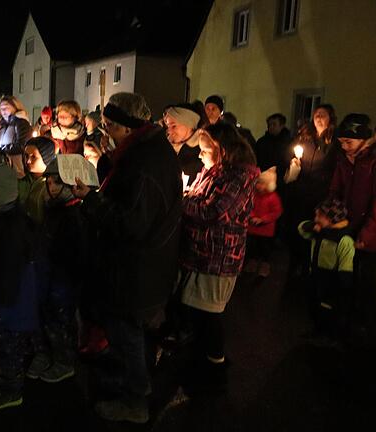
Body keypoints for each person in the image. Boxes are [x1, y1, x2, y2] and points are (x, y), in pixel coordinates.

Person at [71, 92, 182, 425]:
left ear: (123, 126)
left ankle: (135, 401)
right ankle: (131, 384)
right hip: (145, 267)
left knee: (128, 335)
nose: (105, 131)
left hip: (135, 271)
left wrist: (91, 200)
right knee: (132, 335)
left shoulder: (143, 161)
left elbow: (131, 224)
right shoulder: (149, 150)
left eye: (108, 126)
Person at [179, 122, 258, 391]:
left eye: (204, 150)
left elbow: (215, 212)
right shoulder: (212, 171)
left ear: (221, 150)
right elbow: (197, 198)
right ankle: (203, 362)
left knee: (209, 316)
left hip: (219, 258)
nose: (199, 155)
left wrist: (181, 202)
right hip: (201, 254)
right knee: (198, 314)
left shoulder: (239, 177)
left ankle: (215, 369)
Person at [329, 113, 376, 344]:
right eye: (341, 142)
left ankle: (368, 330)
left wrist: (366, 234)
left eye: (349, 142)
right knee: (346, 279)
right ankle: (345, 325)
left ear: (364, 139)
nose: (344, 146)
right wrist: (329, 217)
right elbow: (335, 192)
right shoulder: (346, 159)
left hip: (370, 236)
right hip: (347, 228)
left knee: (366, 282)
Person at [0, 163, 39, 410]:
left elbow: (8, 272)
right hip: (2, 301)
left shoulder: (10, 227)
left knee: (8, 349)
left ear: (1, 191)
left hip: (10, 304)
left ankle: (11, 391)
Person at [27, 158, 87, 384]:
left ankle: (64, 361)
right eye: (49, 182)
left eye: (56, 183)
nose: (51, 188)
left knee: (61, 322)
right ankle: (45, 354)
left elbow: (76, 253)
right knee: (46, 318)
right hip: (46, 275)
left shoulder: (73, 214)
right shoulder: (51, 208)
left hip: (62, 280)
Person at [284, 104, 340, 278]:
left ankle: (310, 266)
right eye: (316, 114)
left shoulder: (334, 142)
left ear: (330, 118)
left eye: (323, 115)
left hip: (320, 194)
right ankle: (295, 263)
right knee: (298, 228)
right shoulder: (306, 137)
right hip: (301, 192)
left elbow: (335, 168)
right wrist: (295, 164)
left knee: (315, 230)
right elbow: (292, 155)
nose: (318, 118)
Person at [298, 198, 354, 342]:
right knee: (313, 304)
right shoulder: (320, 230)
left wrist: (342, 285)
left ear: (331, 219)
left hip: (331, 280)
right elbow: (301, 228)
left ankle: (328, 335)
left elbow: (346, 266)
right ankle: (317, 330)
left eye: (319, 216)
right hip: (315, 274)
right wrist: (312, 226)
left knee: (327, 309)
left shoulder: (344, 240)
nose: (315, 218)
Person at [245, 167, 283, 277]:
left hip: (266, 230)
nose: (259, 186)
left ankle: (264, 265)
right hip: (252, 227)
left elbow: (276, 212)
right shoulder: (254, 195)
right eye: (258, 183)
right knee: (253, 247)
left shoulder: (273, 197)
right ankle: (252, 263)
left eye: (263, 184)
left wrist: (263, 219)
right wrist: (252, 216)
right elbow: (249, 206)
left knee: (264, 249)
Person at [163, 104, 204, 186]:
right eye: (168, 126)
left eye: (174, 126)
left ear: (189, 124)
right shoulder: (166, 146)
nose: (169, 131)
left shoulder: (203, 153)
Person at [18, 136, 55, 225]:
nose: (28, 161)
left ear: (46, 158)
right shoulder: (20, 182)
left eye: (33, 157)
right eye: (26, 156)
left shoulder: (52, 186)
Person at [0, 96, 31, 178]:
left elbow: (22, 145)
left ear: (15, 107)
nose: (4, 110)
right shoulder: (3, 125)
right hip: (5, 166)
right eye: (1, 108)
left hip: (18, 168)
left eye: (6, 107)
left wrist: (4, 151)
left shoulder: (21, 122)